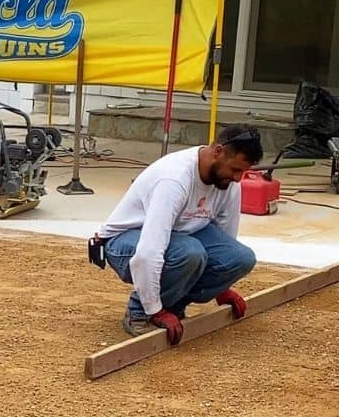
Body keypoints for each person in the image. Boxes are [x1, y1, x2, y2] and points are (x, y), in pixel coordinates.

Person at [87, 126, 264, 342]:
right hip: (126, 240)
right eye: (235, 169)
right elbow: (148, 252)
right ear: (218, 152)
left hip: (180, 236)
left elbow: (227, 240)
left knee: (240, 258)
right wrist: (154, 309)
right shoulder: (174, 180)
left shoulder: (228, 183)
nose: (238, 178)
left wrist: (222, 288)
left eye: (242, 172)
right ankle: (140, 313)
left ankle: (175, 306)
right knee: (190, 253)